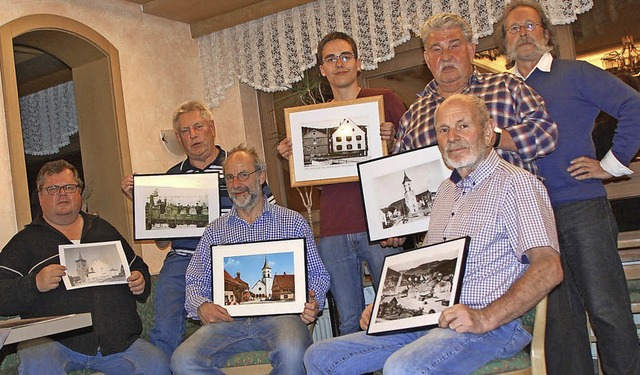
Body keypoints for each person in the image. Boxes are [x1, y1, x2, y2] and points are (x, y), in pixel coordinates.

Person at [304, 93, 562, 374]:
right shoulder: (445, 192)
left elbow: (549, 268)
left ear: (488, 133)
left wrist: (485, 318)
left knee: (402, 368)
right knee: (320, 356)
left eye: (463, 125)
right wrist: (383, 310)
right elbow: (427, 270)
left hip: (492, 326)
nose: (452, 137)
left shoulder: (516, 185)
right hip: (432, 320)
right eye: (443, 130)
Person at [495, 2, 640, 374]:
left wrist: (612, 166)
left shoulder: (576, 74)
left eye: (531, 25)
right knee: (558, 324)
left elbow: (633, 105)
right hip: (528, 220)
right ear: (504, 40)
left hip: (582, 208)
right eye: (514, 28)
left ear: (546, 33)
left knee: (607, 310)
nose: (523, 32)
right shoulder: (498, 90)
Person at [120, 101, 275, 358]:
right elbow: (161, 243)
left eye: (198, 127)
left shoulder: (238, 168)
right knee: (165, 330)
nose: (192, 135)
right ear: (179, 139)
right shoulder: (170, 178)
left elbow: (271, 211)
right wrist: (141, 203)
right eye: (184, 131)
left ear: (212, 128)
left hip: (231, 255)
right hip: (184, 258)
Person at [277, 32, 407, 335]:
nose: (339, 63)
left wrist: (395, 139)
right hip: (334, 229)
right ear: (322, 69)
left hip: (381, 225)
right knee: (348, 322)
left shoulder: (384, 100)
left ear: (358, 63)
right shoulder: (315, 119)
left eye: (346, 56)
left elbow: (411, 158)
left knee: (397, 313)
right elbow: (318, 179)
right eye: (331, 59)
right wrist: (292, 159)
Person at [170, 145, 330, 374]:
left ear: (261, 176)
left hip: (281, 319)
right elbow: (194, 280)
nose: (236, 184)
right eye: (230, 177)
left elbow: (318, 274)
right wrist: (201, 306)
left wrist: (312, 302)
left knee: (293, 350)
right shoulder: (214, 232)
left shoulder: (292, 223)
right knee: (182, 360)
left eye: (244, 175)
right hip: (227, 323)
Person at [0, 160, 169, 375]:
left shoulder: (103, 229)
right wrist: (34, 284)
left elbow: (137, 266)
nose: (62, 194)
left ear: (79, 192)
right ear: (40, 196)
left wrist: (140, 280)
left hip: (117, 343)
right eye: (53, 189)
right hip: (51, 343)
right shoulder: (24, 242)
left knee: (157, 364)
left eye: (69, 187)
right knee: (40, 366)